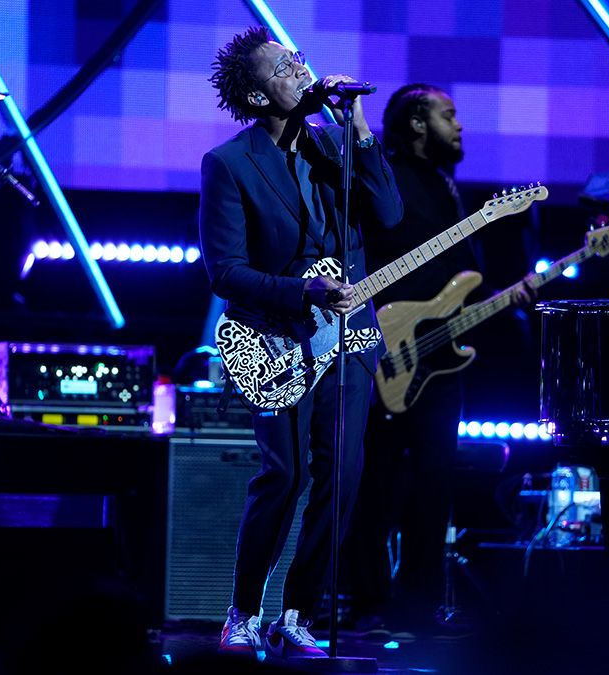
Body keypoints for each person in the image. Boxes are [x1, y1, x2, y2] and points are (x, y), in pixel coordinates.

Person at [198, 26, 403, 658]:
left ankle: (297, 611)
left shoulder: (332, 148)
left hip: (351, 333)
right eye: (285, 68)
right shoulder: (229, 164)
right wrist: (302, 294)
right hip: (270, 334)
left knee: (342, 474)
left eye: (299, 60)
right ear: (259, 97)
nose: (301, 70)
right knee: (284, 475)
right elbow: (224, 271)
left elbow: (390, 216)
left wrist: (358, 127)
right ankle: (245, 610)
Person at [345, 84, 533, 637]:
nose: (460, 125)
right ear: (417, 124)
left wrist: (507, 296)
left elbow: (458, 280)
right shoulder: (383, 180)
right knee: (375, 487)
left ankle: (419, 605)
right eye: (448, 115)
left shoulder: (447, 188)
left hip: (440, 362)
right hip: (385, 351)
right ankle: (370, 603)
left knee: (434, 486)